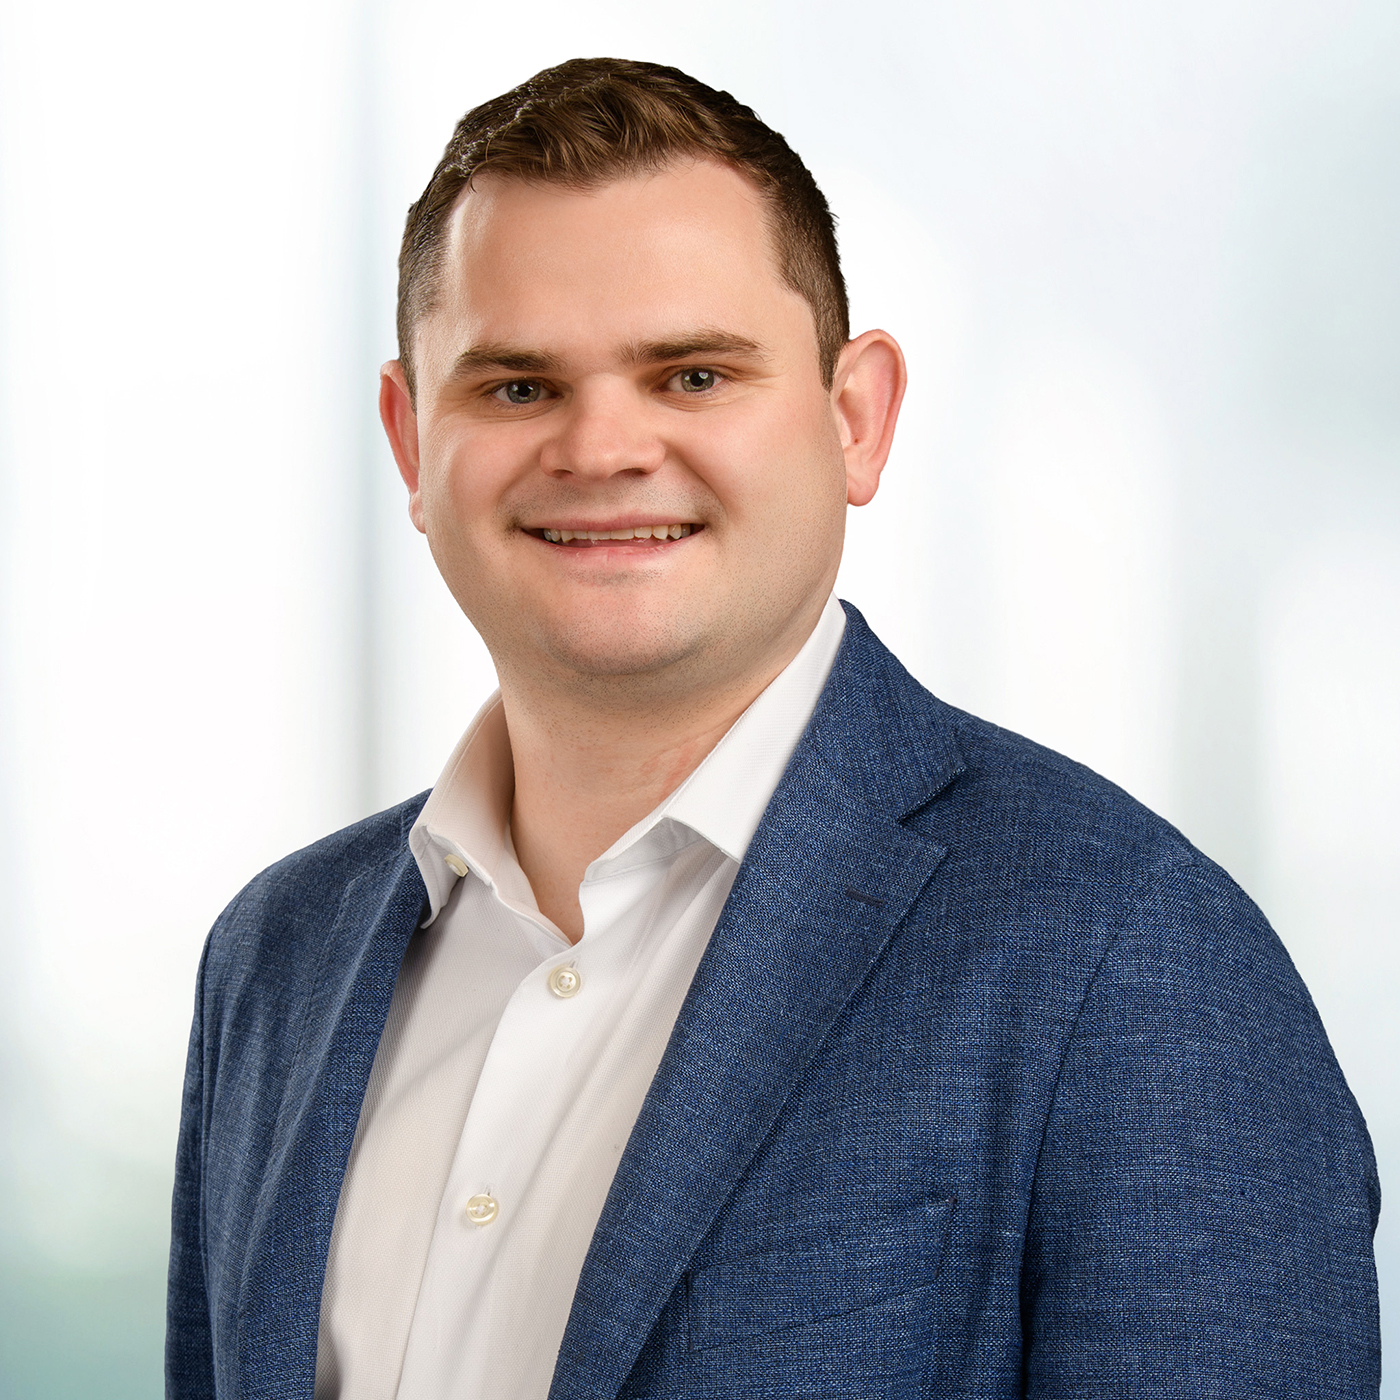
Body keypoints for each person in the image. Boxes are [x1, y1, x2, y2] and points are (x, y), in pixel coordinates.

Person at [166, 57, 1380, 1400]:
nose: (602, 447)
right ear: (410, 440)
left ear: (856, 420)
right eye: (517, 388)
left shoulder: (1130, 957)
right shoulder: (274, 966)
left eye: (690, 375)